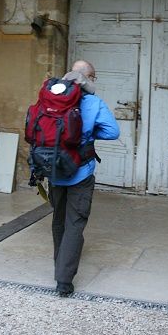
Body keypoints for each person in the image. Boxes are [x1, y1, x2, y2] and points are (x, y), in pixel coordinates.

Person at [48, 60, 119, 297]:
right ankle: (64, 280)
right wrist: (87, 133)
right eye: (94, 77)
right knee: (74, 223)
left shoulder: (50, 98)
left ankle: (60, 264)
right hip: (80, 172)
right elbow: (112, 131)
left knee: (58, 220)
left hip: (55, 170)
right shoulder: (93, 102)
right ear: (88, 77)